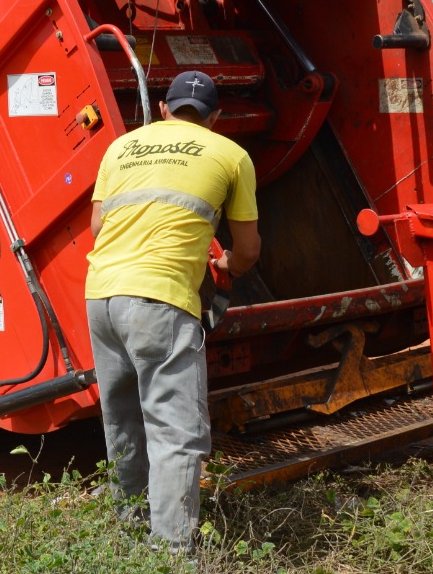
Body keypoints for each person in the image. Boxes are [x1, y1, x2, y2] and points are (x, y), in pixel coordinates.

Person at [86, 69, 261, 551]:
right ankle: (169, 554)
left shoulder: (120, 147)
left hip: (100, 297)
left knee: (122, 421)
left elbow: (99, 225)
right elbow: (247, 250)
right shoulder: (230, 154)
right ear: (216, 118)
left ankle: (129, 526)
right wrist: (222, 261)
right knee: (176, 432)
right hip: (160, 301)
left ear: (163, 109)